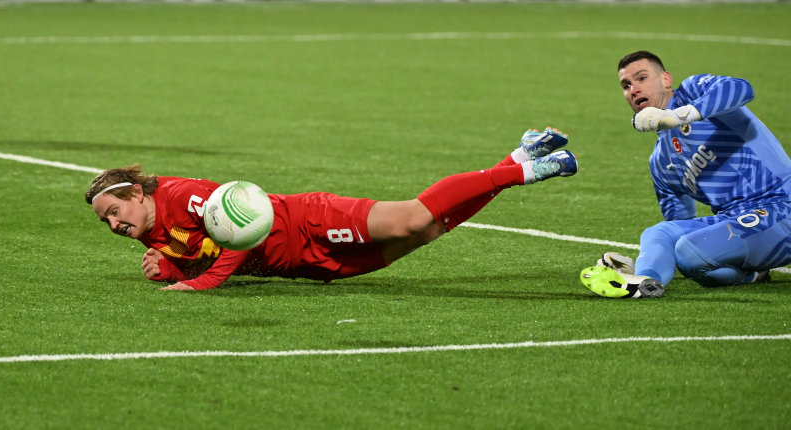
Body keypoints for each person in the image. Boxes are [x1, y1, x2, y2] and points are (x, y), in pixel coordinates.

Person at [86, 128, 578, 291]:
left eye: (112, 210)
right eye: (104, 221)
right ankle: (515, 159)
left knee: (411, 216)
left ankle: (527, 171)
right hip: (310, 267)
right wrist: (173, 265)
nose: (112, 224)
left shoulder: (183, 196)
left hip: (307, 221)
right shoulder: (151, 231)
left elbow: (243, 229)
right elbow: (201, 249)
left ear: (135, 193)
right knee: (428, 231)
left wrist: (200, 281)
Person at [581, 50, 791, 299]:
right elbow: (680, 224)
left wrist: (677, 116)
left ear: (666, 80)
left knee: (689, 252)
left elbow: (741, 88)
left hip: (781, 205)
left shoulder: (693, 93)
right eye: (626, 85)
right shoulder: (661, 163)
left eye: (642, 78)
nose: (633, 89)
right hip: (737, 220)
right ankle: (644, 282)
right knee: (659, 233)